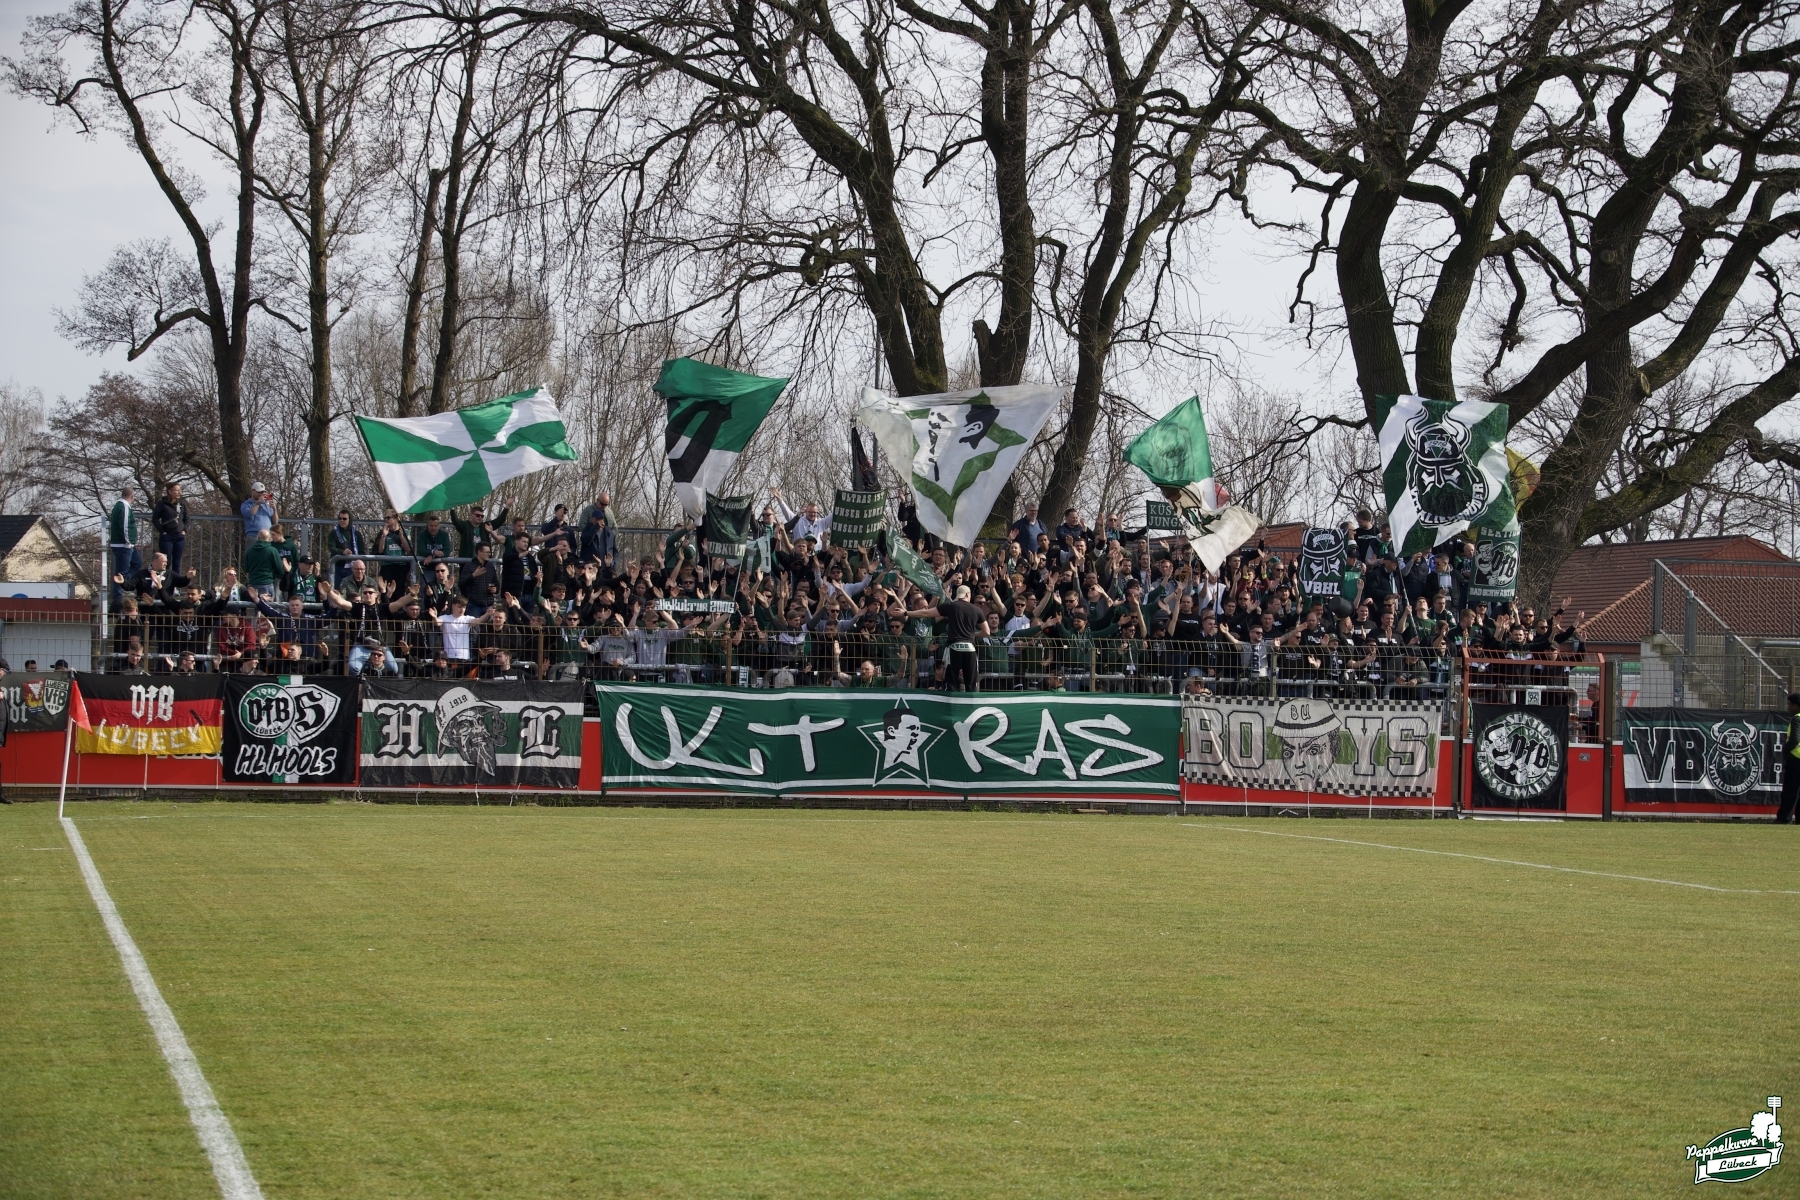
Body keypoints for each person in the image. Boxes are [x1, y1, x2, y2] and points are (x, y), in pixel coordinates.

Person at [913, 584, 988, 692]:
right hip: (970, 648)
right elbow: (987, 632)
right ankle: (971, 707)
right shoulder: (976, 610)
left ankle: (950, 706)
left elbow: (926, 612)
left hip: (953, 648)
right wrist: (972, 634)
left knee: (951, 683)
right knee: (971, 685)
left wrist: (906, 612)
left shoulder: (950, 606)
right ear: (968, 594)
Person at [107, 486, 141, 604]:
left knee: (137, 564)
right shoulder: (124, 507)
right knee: (122, 569)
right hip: (124, 545)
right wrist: (128, 542)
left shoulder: (119, 506)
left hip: (126, 544)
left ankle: (124, 584)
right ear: (132, 496)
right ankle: (118, 592)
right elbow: (125, 525)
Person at [152, 481, 188, 579]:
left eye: (179, 490)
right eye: (177, 490)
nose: (179, 493)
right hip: (167, 537)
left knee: (177, 562)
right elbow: (155, 518)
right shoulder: (162, 504)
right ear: (170, 491)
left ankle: (175, 585)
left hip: (179, 537)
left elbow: (186, 518)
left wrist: (184, 529)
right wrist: (162, 531)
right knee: (166, 562)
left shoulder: (182, 504)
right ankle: (165, 582)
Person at [1781, 693, 1800, 824]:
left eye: (1789, 704)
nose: (1788, 707)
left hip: (1796, 759)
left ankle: (1784, 818)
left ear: (1795, 706)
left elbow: (1794, 739)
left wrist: (1785, 749)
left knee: (1790, 791)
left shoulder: (1796, 719)